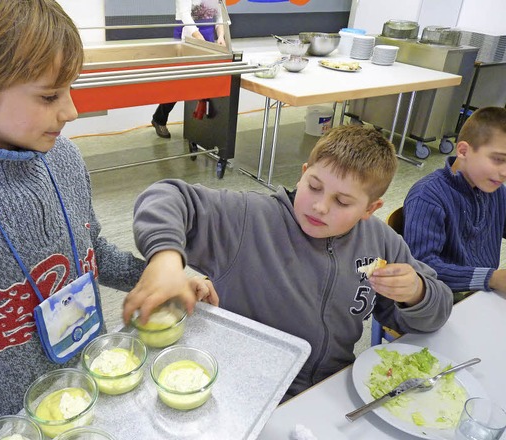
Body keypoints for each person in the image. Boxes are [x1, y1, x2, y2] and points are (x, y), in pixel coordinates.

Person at [0, 1, 216, 437]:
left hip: (100, 398)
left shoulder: (63, 158)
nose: (71, 111)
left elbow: (92, 253)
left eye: (69, 89)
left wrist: (155, 279)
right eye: (50, 95)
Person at [124, 125, 453, 396]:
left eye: (342, 201)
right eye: (314, 186)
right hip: (247, 388)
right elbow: (167, 196)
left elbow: (435, 314)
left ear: (370, 209)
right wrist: (165, 260)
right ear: (304, 174)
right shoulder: (250, 220)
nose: (320, 206)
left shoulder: (380, 242)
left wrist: (416, 292)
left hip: (332, 389)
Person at [403, 107, 506, 301]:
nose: (505, 172)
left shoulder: (496, 189)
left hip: (481, 294)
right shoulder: (428, 196)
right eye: (498, 159)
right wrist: (491, 278)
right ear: (463, 150)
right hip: (439, 299)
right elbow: (422, 267)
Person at [151, 0, 227, 139]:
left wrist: (221, 36)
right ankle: (159, 118)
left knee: (208, 80)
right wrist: (199, 38)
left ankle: (200, 121)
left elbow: (220, 15)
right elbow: (185, 15)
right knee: (180, 83)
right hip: (187, 35)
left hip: (208, 35)